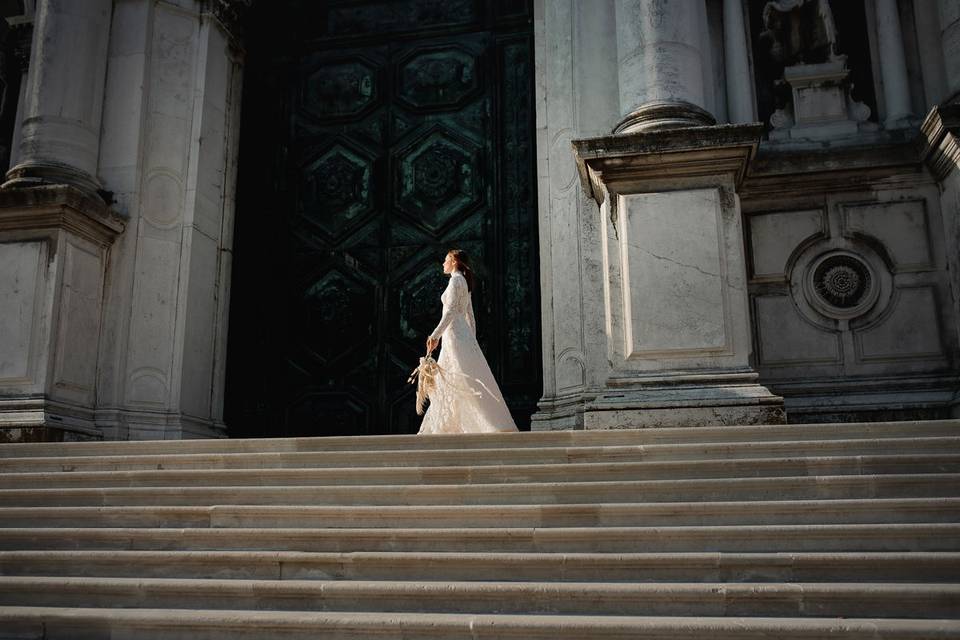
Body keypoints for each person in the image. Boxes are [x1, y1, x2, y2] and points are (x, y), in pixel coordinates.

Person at [417, 250, 518, 434]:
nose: (443, 263)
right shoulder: (463, 281)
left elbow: (451, 312)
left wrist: (435, 335)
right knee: (460, 376)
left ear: (454, 261)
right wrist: (472, 339)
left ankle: (454, 426)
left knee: (456, 376)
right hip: (460, 334)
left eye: (446, 260)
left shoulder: (455, 280)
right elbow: (470, 315)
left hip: (453, 333)